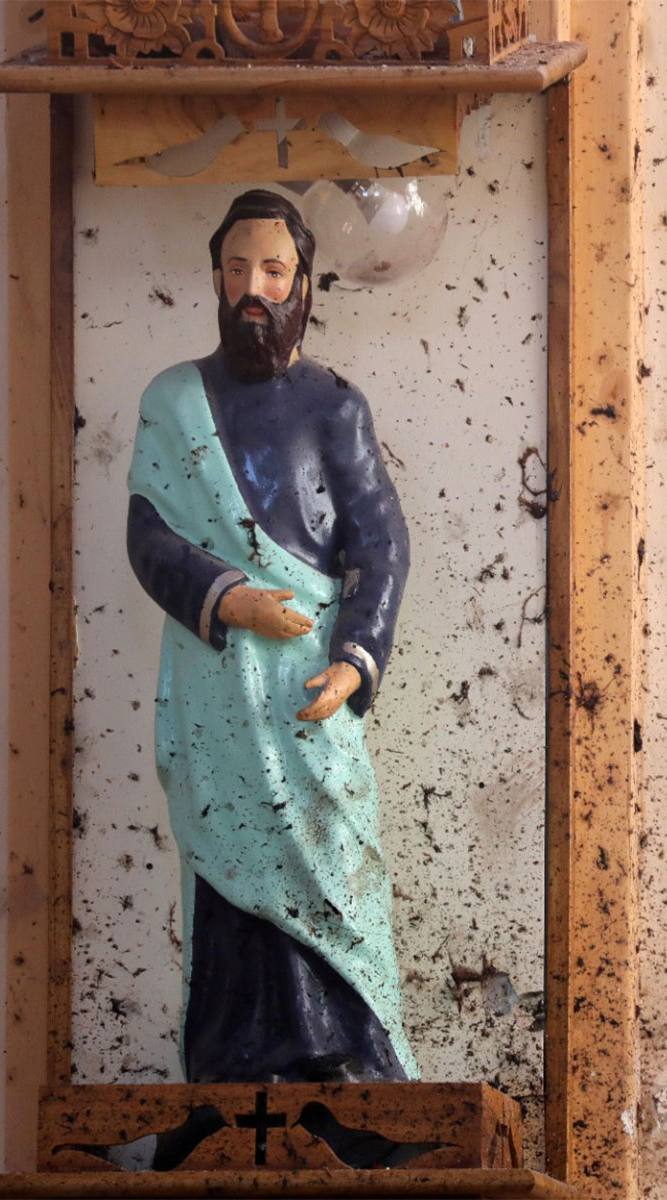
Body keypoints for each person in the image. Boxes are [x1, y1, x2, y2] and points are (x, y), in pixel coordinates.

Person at [126, 189, 417, 1084]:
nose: (254, 288)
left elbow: (380, 539)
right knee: (226, 858)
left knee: (331, 854)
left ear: (304, 284)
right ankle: (232, 1068)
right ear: (217, 278)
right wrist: (231, 599)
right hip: (219, 686)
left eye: (274, 270)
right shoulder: (173, 401)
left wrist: (354, 661)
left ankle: (350, 1064)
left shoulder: (334, 404)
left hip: (306, 690)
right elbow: (150, 538)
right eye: (238, 269)